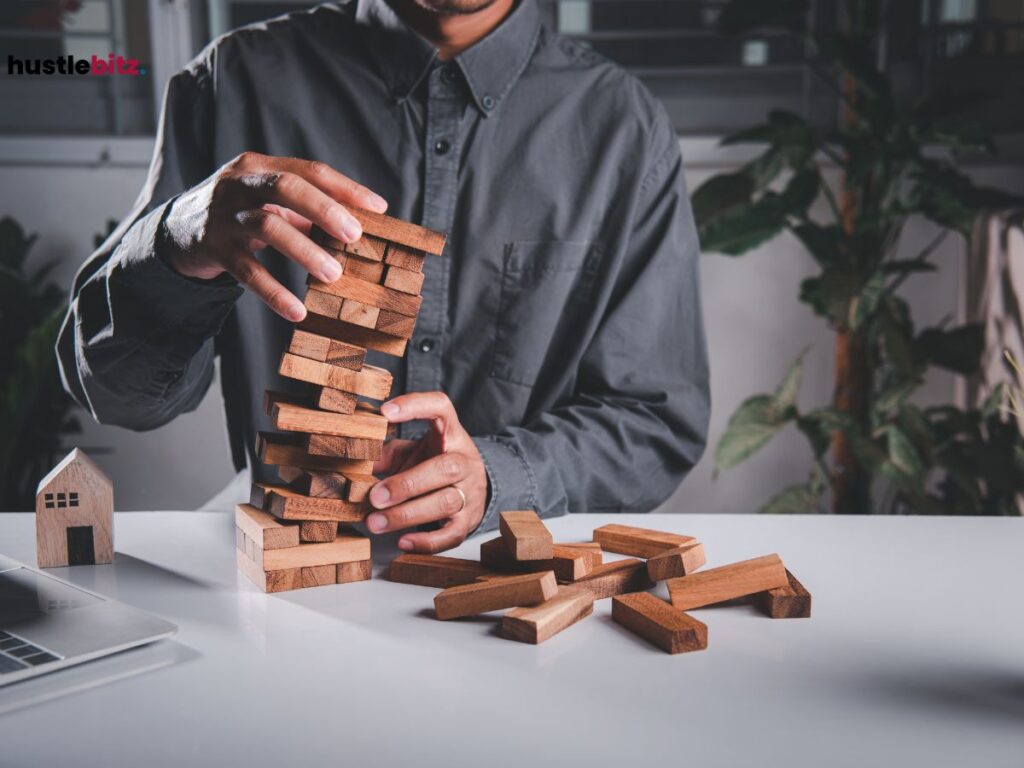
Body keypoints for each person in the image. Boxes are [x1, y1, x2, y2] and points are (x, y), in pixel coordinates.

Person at [57, 0, 710, 554]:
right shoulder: (232, 82)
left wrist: (499, 477)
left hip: (513, 576)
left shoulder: (625, 128)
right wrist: (177, 240)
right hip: (280, 566)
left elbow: (655, 421)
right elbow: (116, 396)